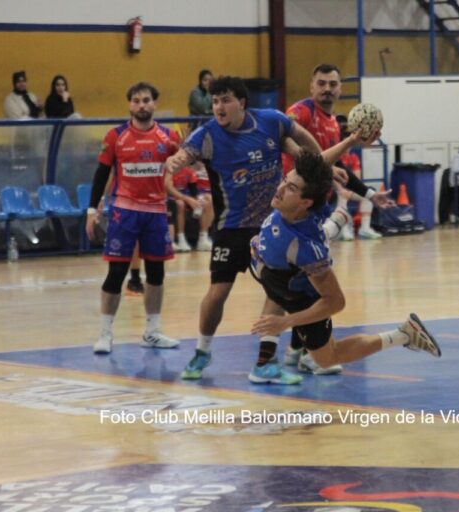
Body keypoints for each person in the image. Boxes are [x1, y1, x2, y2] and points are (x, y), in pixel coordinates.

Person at [163, 76, 329, 383]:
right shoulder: (208, 134)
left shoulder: (271, 122)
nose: (219, 107)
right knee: (217, 293)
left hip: (272, 225)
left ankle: (265, 361)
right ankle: (202, 350)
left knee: (277, 290)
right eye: (214, 101)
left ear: (242, 102)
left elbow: (302, 139)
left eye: (225, 100)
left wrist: (318, 168)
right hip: (232, 226)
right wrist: (175, 161)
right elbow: (185, 154)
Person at [249, 151, 441, 377]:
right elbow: (320, 162)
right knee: (304, 248)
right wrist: (351, 142)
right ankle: (339, 219)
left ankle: (405, 334)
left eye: (291, 188)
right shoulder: (296, 206)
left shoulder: (305, 249)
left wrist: (286, 322)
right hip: (277, 272)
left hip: (302, 297)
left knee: (327, 358)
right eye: (285, 181)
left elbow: (335, 301)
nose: (280, 189)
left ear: (305, 202)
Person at [86, 82, 182, 354]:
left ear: (154, 104)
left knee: (156, 273)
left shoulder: (168, 137)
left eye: (147, 100)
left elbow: (187, 158)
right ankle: (105, 334)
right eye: (137, 100)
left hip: (156, 214)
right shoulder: (116, 136)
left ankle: (152, 331)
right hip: (124, 213)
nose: (142, 105)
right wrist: (92, 211)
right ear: (130, 105)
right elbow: (101, 174)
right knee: (116, 272)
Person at [283, 64, 387, 242]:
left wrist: (370, 194)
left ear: (340, 88)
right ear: (311, 86)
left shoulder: (333, 123)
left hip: (318, 201)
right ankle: (340, 221)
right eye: (321, 83)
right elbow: (284, 139)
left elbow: (336, 165)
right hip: (295, 198)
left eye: (332, 84)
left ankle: (339, 222)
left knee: (317, 255)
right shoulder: (302, 111)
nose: (327, 89)